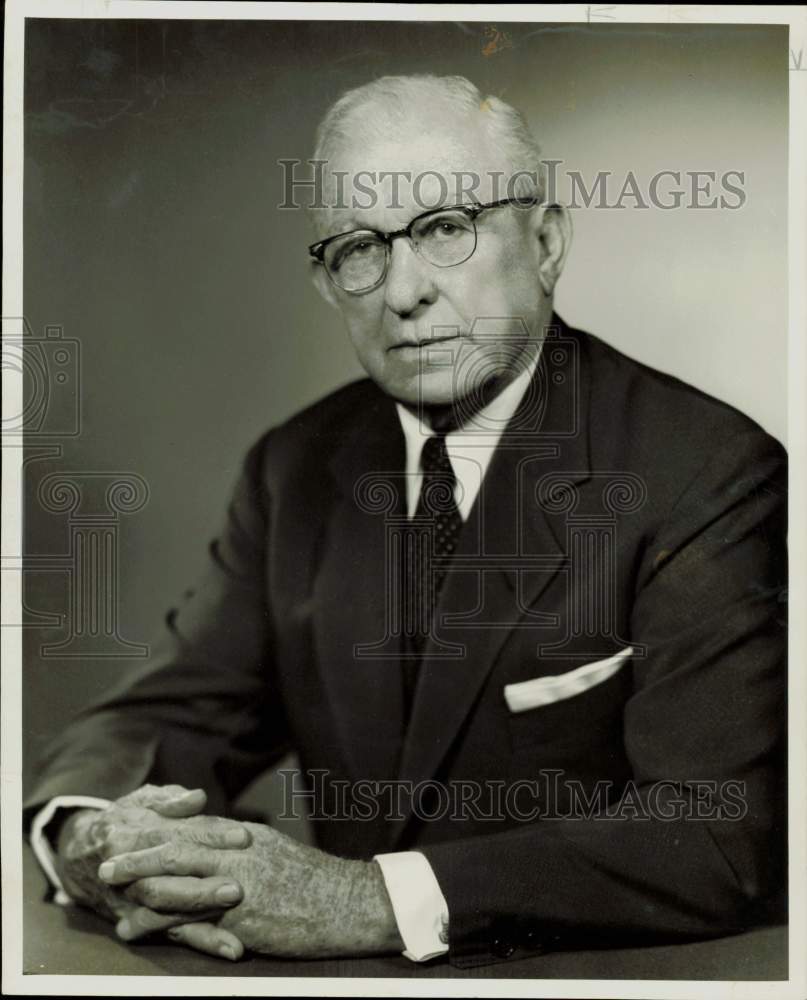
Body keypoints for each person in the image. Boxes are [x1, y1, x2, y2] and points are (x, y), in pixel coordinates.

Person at [26, 75, 787, 969]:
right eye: (358, 248)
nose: (402, 292)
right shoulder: (294, 467)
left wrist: (365, 898)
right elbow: (172, 713)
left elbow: (716, 835)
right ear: (326, 280)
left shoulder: (705, 471)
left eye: (444, 229)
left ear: (545, 242)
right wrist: (92, 837)